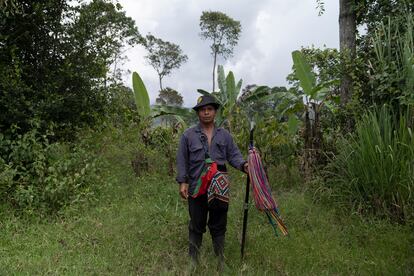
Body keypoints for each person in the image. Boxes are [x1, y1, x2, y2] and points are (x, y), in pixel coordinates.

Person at [176, 94, 248, 268]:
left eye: (209, 109)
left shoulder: (224, 135)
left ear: (215, 112)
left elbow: (234, 155)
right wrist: (183, 182)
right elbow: (182, 159)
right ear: (198, 113)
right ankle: (193, 261)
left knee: (218, 223)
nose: (206, 113)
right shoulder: (188, 135)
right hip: (196, 185)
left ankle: (220, 261)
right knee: (196, 223)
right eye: (202, 110)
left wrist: (245, 165)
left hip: (219, 187)